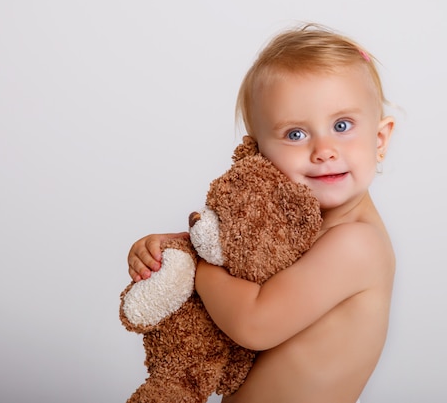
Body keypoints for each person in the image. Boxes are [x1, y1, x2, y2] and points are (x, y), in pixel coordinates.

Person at [127, 23, 396, 403]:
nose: (324, 149)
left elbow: (252, 323)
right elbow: (237, 271)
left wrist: (194, 263)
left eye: (342, 125)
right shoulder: (287, 231)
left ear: (380, 139)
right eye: (296, 134)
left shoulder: (357, 243)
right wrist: (168, 253)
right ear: (258, 154)